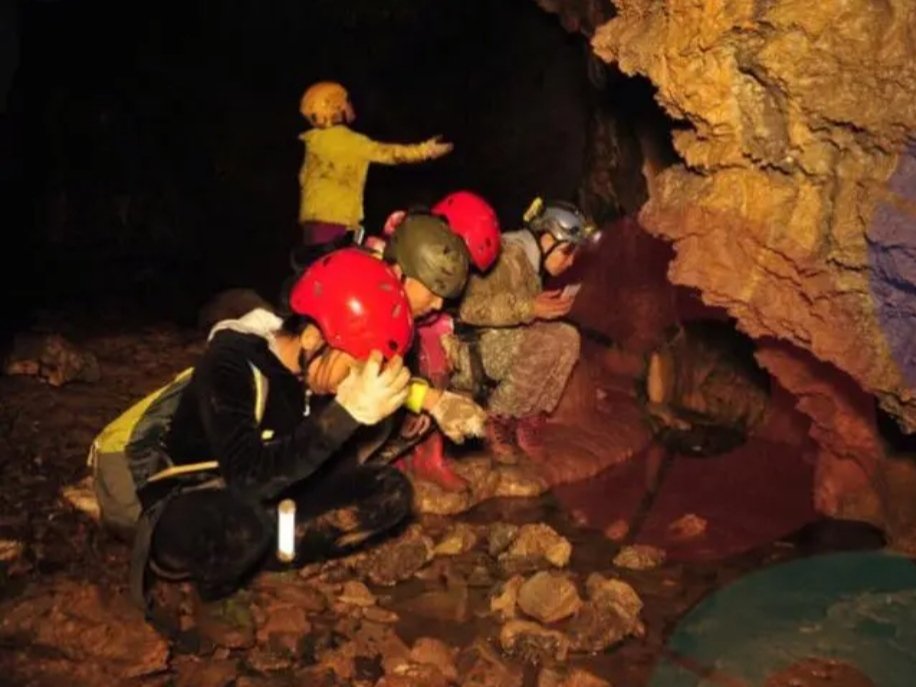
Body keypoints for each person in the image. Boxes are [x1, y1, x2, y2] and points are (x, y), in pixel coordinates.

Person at [143, 248, 416, 601]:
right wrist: (344, 415)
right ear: (313, 338)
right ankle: (212, 588)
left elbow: (316, 464)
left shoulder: (314, 373)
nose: (350, 382)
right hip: (192, 498)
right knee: (243, 528)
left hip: (270, 496)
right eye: (353, 367)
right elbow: (247, 478)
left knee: (390, 490)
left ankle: (273, 555)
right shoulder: (230, 364)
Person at [449, 197, 597, 458]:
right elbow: (469, 309)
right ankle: (496, 417)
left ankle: (527, 418)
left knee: (569, 337)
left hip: (495, 344)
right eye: (568, 251)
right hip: (470, 351)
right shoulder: (507, 255)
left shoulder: (530, 262)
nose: (571, 261)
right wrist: (529, 307)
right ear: (548, 239)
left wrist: (538, 307)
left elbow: (517, 310)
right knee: (549, 342)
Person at [297, 81, 452, 251]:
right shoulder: (349, 141)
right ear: (335, 108)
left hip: (310, 231)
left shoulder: (313, 142)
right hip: (337, 229)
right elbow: (392, 154)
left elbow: (303, 178)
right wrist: (426, 150)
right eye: (346, 101)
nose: (350, 105)